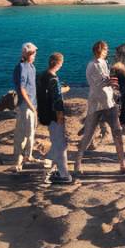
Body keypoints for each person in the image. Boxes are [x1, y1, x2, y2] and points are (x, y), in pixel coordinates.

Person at [75, 40, 125, 175]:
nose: (107, 52)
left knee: (117, 131)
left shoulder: (104, 63)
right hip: (96, 103)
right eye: (105, 50)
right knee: (89, 133)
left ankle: (122, 163)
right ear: (100, 50)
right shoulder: (92, 65)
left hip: (109, 102)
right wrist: (112, 81)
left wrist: (112, 83)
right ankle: (78, 163)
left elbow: (106, 80)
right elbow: (98, 83)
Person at [36, 52, 71, 184]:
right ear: (58, 63)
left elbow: (47, 92)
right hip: (54, 116)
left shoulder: (41, 76)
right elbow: (57, 100)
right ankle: (64, 174)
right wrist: (60, 116)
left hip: (45, 114)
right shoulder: (54, 80)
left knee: (55, 142)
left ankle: (52, 166)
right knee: (61, 144)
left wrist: (62, 89)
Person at [12, 42, 40, 172]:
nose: (35, 55)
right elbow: (22, 89)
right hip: (26, 105)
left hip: (32, 104)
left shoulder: (32, 67)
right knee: (23, 133)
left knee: (31, 132)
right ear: (28, 53)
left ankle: (28, 156)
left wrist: (35, 105)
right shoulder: (21, 67)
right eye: (33, 53)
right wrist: (31, 106)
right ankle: (18, 160)